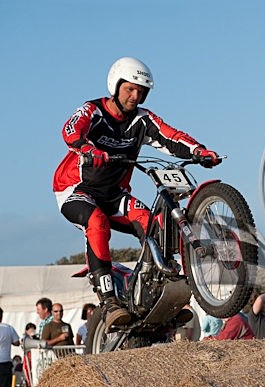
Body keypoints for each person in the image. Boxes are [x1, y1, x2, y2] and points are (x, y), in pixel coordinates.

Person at [52, 57, 221, 330]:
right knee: (97, 223)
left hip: (115, 194)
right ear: (115, 85)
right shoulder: (92, 111)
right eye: (130, 89)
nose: (135, 96)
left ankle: (158, 297)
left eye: (141, 91)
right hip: (76, 190)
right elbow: (70, 129)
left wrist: (200, 151)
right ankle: (108, 301)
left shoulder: (143, 120)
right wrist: (87, 149)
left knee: (156, 225)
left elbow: (170, 136)